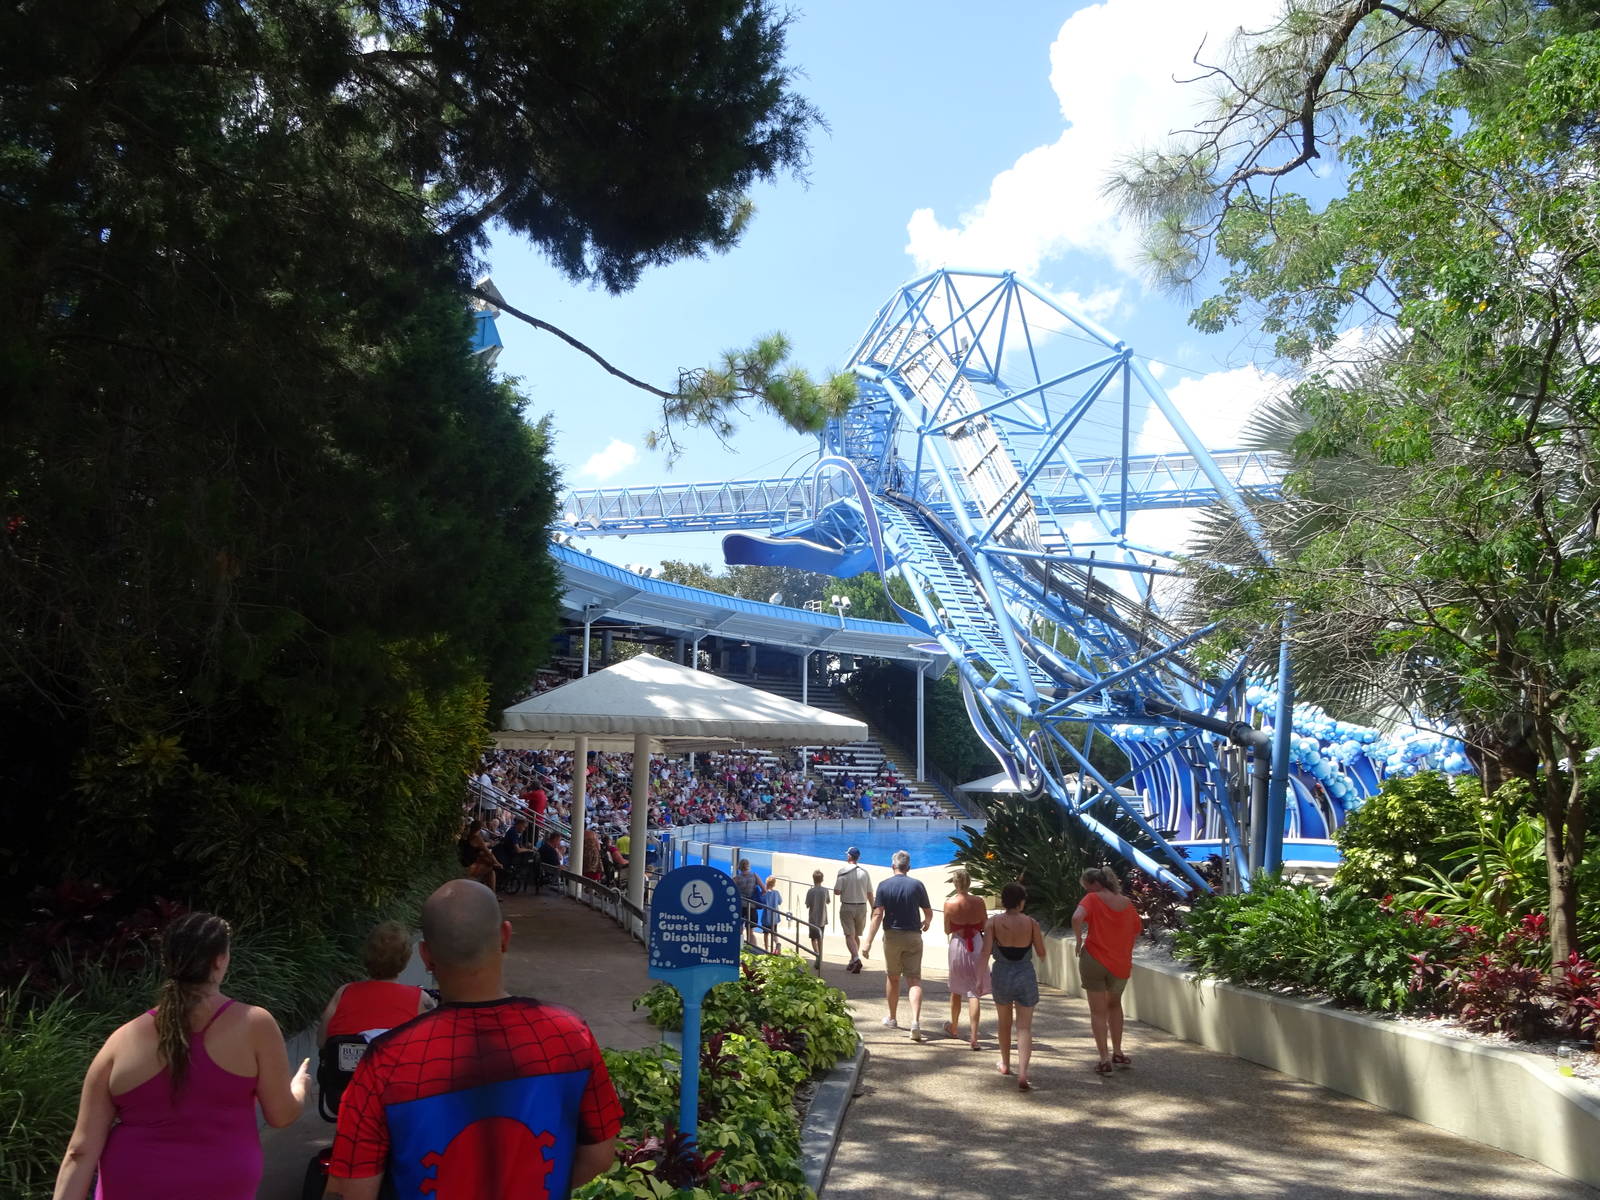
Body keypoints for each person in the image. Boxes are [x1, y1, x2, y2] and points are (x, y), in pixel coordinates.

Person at [324, 880, 621, 1199]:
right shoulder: (570, 1034)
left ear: (426, 955)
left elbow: (351, 1190)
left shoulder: (385, 1060)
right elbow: (600, 1156)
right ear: (505, 937)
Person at [52, 911, 311, 1200]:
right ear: (220, 960)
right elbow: (281, 1114)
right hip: (221, 1184)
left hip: (130, 1183)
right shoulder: (255, 1025)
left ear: (167, 961)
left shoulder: (122, 1040)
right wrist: (299, 1087)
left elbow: (80, 1152)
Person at [317, 921, 436, 1046]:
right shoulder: (421, 999)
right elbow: (434, 1045)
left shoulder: (344, 992)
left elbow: (321, 1041)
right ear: (405, 958)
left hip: (343, 1065)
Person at [1072, 866, 1143, 1075]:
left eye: (1086, 887)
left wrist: (1078, 940)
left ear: (1094, 884)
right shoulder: (1127, 903)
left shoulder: (1092, 899)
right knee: (1115, 1005)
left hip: (1094, 959)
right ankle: (1118, 1051)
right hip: (1120, 962)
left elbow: (1077, 917)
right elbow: (1136, 929)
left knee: (1097, 1011)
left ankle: (1103, 1059)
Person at [861, 850, 933, 1042]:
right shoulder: (917, 885)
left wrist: (867, 941)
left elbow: (877, 915)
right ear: (908, 867)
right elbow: (928, 911)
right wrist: (926, 921)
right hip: (913, 936)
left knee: (893, 978)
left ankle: (892, 1018)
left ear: (893, 866)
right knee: (914, 980)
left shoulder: (884, 886)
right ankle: (916, 1022)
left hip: (892, 936)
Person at [983, 882, 1047, 1091]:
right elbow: (1041, 952)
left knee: (1004, 1023)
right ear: (1020, 902)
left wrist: (978, 977)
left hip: (1001, 973)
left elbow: (984, 953)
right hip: (1024, 973)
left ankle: (1005, 1064)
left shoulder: (992, 923)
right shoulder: (1032, 923)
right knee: (1024, 1027)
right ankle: (1023, 1073)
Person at [942, 868, 990, 1050]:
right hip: (976, 943)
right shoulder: (979, 902)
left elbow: (947, 929)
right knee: (974, 992)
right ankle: (974, 1037)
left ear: (955, 884)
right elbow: (985, 924)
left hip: (958, 945)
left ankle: (954, 1028)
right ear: (969, 882)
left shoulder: (949, 904)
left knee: (956, 989)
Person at [832, 847, 873, 973]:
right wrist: (874, 908)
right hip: (862, 907)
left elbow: (837, 892)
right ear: (858, 858)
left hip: (847, 906)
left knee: (849, 934)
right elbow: (870, 892)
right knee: (856, 935)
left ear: (849, 856)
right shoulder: (864, 872)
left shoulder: (843, 871)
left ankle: (855, 959)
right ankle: (852, 961)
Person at [458, 818, 498, 893]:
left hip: (463, 861)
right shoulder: (477, 838)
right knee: (491, 867)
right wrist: (497, 863)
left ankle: (492, 893)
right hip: (468, 865)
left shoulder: (465, 835)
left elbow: (477, 846)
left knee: (490, 869)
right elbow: (488, 853)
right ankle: (491, 894)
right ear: (479, 829)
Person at [732, 858, 763, 946]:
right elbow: (764, 889)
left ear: (739, 867)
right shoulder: (754, 875)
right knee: (751, 930)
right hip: (752, 905)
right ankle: (752, 948)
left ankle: (740, 946)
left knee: (739, 928)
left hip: (740, 905)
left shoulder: (736, 878)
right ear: (748, 866)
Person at [804, 869, 830, 961]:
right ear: (822, 879)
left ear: (813, 879)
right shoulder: (825, 890)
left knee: (813, 938)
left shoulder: (810, 891)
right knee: (820, 938)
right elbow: (828, 901)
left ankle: (817, 954)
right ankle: (820, 955)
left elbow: (807, 904)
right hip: (822, 918)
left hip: (813, 918)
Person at [759, 875, 783, 954]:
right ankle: (777, 943)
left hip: (766, 917)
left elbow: (761, 902)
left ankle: (766, 949)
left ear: (766, 883)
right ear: (774, 884)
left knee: (766, 934)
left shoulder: (765, 894)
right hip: (774, 917)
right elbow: (780, 902)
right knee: (774, 933)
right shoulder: (776, 893)